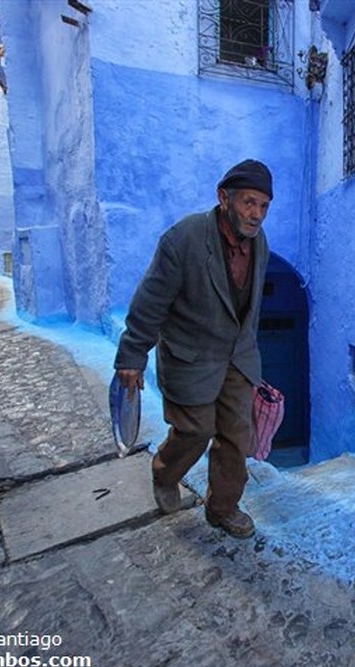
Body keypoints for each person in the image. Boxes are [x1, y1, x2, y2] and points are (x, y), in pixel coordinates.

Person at [114, 159, 273, 539]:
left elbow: (245, 307)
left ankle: (223, 508)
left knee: (238, 437)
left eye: (264, 206)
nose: (256, 215)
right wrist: (133, 355)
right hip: (191, 357)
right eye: (249, 203)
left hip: (237, 358)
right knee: (194, 432)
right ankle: (165, 473)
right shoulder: (183, 239)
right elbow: (150, 301)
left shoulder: (260, 243)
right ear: (224, 198)